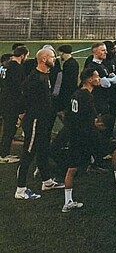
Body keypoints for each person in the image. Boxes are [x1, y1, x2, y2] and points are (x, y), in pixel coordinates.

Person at [60, 67, 116, 212]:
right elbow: (93, 120)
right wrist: (100, 125)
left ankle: (68, 201)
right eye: (96, 76)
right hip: (89, 136)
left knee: (72, 168)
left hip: (75, 137)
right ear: (89, 79)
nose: (98, 79)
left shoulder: (75, 94)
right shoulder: (87, 96)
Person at [15, 47, 61, 200]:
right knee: (28, 154)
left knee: (43, 150)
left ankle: (46, 182)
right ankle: (20, 189)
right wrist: (22, 117)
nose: (54, 59)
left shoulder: (45, 75)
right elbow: (23, 101)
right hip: (34, 121)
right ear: (43, 59)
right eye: (52, 57)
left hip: (42, 121)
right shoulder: (34, 79)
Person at [0, 46, 27, 164]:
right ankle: (3, 154)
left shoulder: (6, 66)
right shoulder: (17, 67)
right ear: (23, 55)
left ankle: (4, 152)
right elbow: (18, 88)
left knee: (8, 127)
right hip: (12, 102)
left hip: (4, 99)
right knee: (10, 128)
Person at [51, 44, 80, 119]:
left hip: (68, 91)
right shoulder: (73, 62)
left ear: (63, 53)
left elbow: (66, 80)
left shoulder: (68, 64)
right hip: (72, 89)